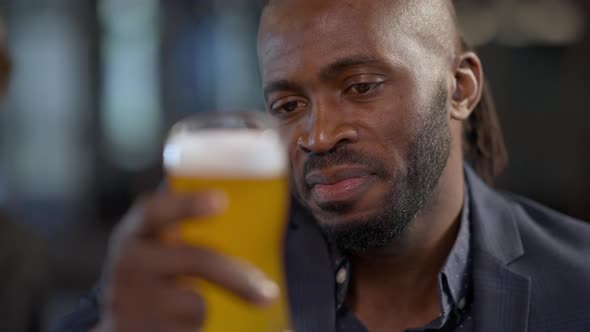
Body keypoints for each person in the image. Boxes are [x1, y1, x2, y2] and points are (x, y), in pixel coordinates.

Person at [56, 0, 590, 331]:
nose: (317, 135)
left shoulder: (578, 284)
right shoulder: (204, 270)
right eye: (288, 106)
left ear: (460, 87)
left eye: (360, 87)